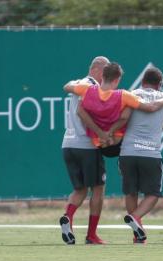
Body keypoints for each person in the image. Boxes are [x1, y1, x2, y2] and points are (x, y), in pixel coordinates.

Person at [63, 62, 163, 157]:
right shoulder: (123, 95)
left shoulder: (87, 89)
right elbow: (150, 107)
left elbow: (67, 88)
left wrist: (101, 134)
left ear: (103, 76)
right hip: (117, 143)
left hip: (98, 142)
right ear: (117, 80)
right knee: (130, 112)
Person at [60, 56, 110, 245]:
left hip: (68, 144)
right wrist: (101, 133)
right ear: (96, 70)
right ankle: (91, 235)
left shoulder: (78, 83)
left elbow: (67, 85)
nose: (106, 76)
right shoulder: (93, 88)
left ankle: (68, 217)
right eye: (104, 72)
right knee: (98, 189)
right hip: (87, 145)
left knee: (79, 189)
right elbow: (84, 112)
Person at [118, 67, 163, 244]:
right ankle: (135, 217)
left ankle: (137, 234)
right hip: (151, 153)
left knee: (131, 192)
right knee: (154, 193)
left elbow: (123, 118)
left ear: (142, 82)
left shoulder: (131, 94)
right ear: (160, 84)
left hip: (128, 152)